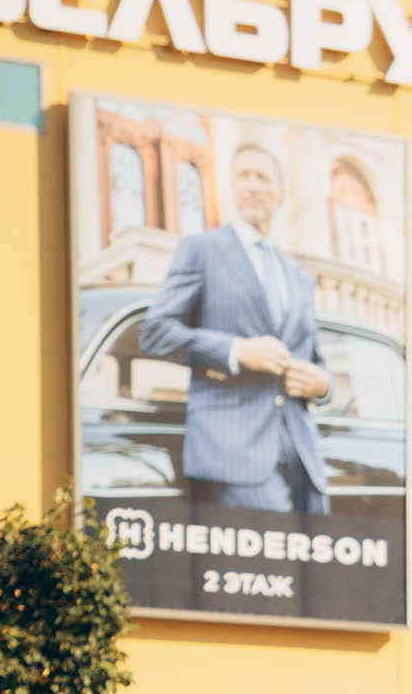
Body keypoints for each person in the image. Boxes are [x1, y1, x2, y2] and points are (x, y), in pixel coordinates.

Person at [140, 140, 334, 519]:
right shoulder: (202, 249)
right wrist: (235, 351)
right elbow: (156, 332)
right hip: (232, 451)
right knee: (273, 562)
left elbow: (316, 360)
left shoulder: (298, 275)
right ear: (232, 186)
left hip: (302, 453)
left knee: (317, 574)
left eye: (262, 177)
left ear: (280, 194)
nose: (251, 185)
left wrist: (324, 384)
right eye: (243, 175)